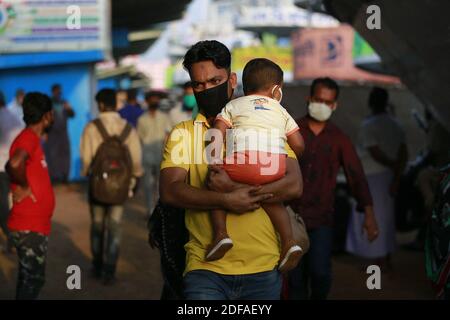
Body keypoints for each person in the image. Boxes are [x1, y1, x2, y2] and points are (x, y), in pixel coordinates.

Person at [159, 40, 303, 300]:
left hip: (262, 267)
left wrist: (234, 190)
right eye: (199, 84)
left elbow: (294, 185)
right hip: (205, 268)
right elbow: (171, 191)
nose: (207, 90)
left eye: (215, 81)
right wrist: (225, 199)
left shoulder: (267, 124)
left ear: (232, 80)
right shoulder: (184, 134)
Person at [206, 58, 305, 273]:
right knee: (273, 202)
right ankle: (289, 242)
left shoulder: (233, 105)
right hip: (273, 166)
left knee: (216, 186)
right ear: (276, 89)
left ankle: (221, 235)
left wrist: (213, 159)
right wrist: (285, 151)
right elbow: (299, 144)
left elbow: (217, 130)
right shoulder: (281, 111)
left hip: (241, 164)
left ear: (245, 85)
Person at [287, 77, 379, 300]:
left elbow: (355, 175)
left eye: (327, 102)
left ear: (334, 105)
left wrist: (369, 214)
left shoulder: (339, 139)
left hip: (322, 220)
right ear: (309, 99)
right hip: (289, 217)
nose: (322, 105)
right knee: (293, 278)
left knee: (320, 273)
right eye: (318, 99)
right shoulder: (291, 132)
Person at [80, 88, 143, 285]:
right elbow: (136, 161)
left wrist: (87, 173)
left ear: (100, 105)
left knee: (98, 226)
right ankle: (110, 270)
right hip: (121, 186)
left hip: (98, 185)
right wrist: (135, 179)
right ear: (115, 104)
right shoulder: (127, 129)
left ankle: (97, 266)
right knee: (115, 227)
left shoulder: (92, 127)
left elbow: (85, 160)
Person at [346, 87, 408, 270]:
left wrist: (392, 165)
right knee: (386, 218)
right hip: (388, 177)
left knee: (371, 217)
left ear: (370, 103)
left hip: (371, 177)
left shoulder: (369, 125)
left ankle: (377, 261)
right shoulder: (396, 124)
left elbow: (374, 152)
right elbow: (403, 152)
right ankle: (384, 258)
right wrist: (396, 174)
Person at [5, 92, 55, 299]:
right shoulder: (29, 138)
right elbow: (14, 164)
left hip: (32, 224)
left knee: (28, 279)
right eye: (51, 114)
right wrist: (25, 186)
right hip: (29, 225)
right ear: (47, 116)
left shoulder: (31, 138)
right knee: (33, 280)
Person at [137, 91, 171, 216]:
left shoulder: (164, 117)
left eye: (156, 100)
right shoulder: (141, 119)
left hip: (161, 155)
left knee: (159, 184)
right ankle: (150, 209)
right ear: (147, 102)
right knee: (147, 184)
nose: (154, 102)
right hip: (146, 156)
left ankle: (158, 209)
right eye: (152, 100)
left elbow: (167, 135)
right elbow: (139, 138)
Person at [0, 91, 23, 253]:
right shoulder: (14, 116)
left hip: (1, 168)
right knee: (10, 203)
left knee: (2, 206)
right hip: (14, 168)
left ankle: (11, 238)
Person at [44, 84, 75, 183]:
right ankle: (54, 177)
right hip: (52, 134)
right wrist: (45, 133)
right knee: (52, 156)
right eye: (57, 92)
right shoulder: (48, 104)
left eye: (60, 92)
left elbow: (72, 114)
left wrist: (69, 109)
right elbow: (44, 119)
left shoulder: (64, 103)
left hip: (63, 133)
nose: (59, 94)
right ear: (53, 92)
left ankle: (64, 176)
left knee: (65, 154)